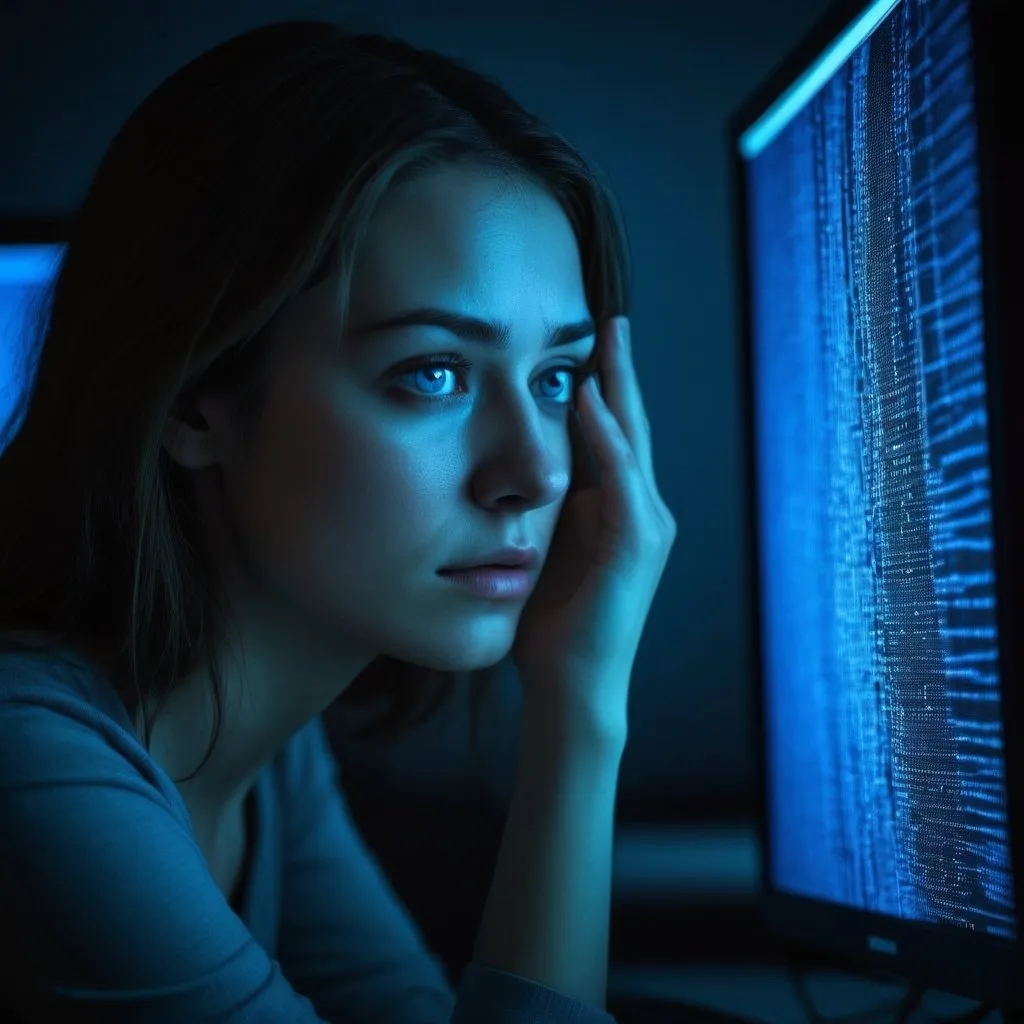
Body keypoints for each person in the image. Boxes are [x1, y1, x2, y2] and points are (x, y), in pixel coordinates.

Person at [0, 19, 676, 1023]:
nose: (533, 472)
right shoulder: (30, 772)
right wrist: (579, 725)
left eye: (556, 379)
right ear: (193, 397)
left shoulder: (268, 757)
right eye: (432, 374)